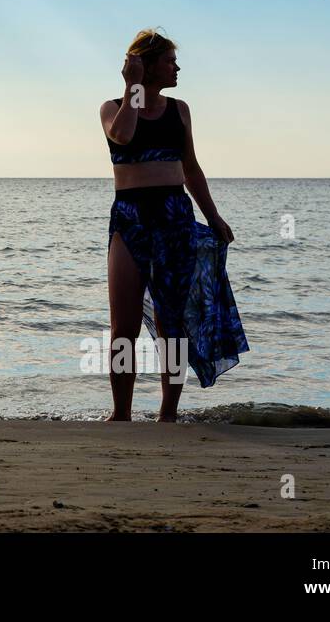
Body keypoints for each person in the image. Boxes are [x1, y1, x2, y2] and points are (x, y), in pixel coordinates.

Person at [99, 28, 249, 421]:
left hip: (174, 217)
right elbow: (125, 138)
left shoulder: (180, 109)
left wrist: (213, 216)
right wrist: (131, 86)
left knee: (173, 323)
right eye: (169, 61)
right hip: (129, 219)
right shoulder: (113, 108)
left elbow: (192, 168)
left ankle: (168, 413)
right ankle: (121, 413)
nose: (177, 67)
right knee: (123, 327)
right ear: (146, 66)